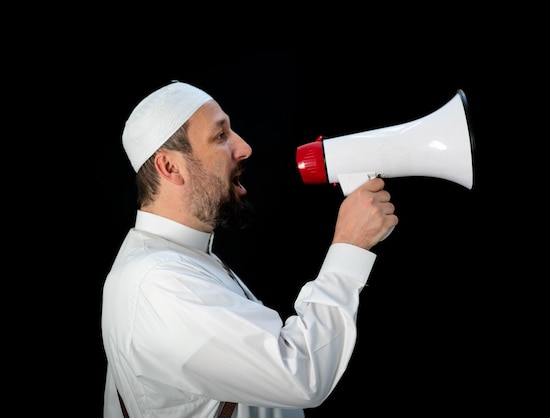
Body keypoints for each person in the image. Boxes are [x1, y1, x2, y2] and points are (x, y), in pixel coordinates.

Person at [101, 80, 398, 418]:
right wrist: (350, 245)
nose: (244, 148)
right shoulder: (157, 283)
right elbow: (300, 375)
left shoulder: (178, 261)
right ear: (170, 167)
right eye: (220, 136)